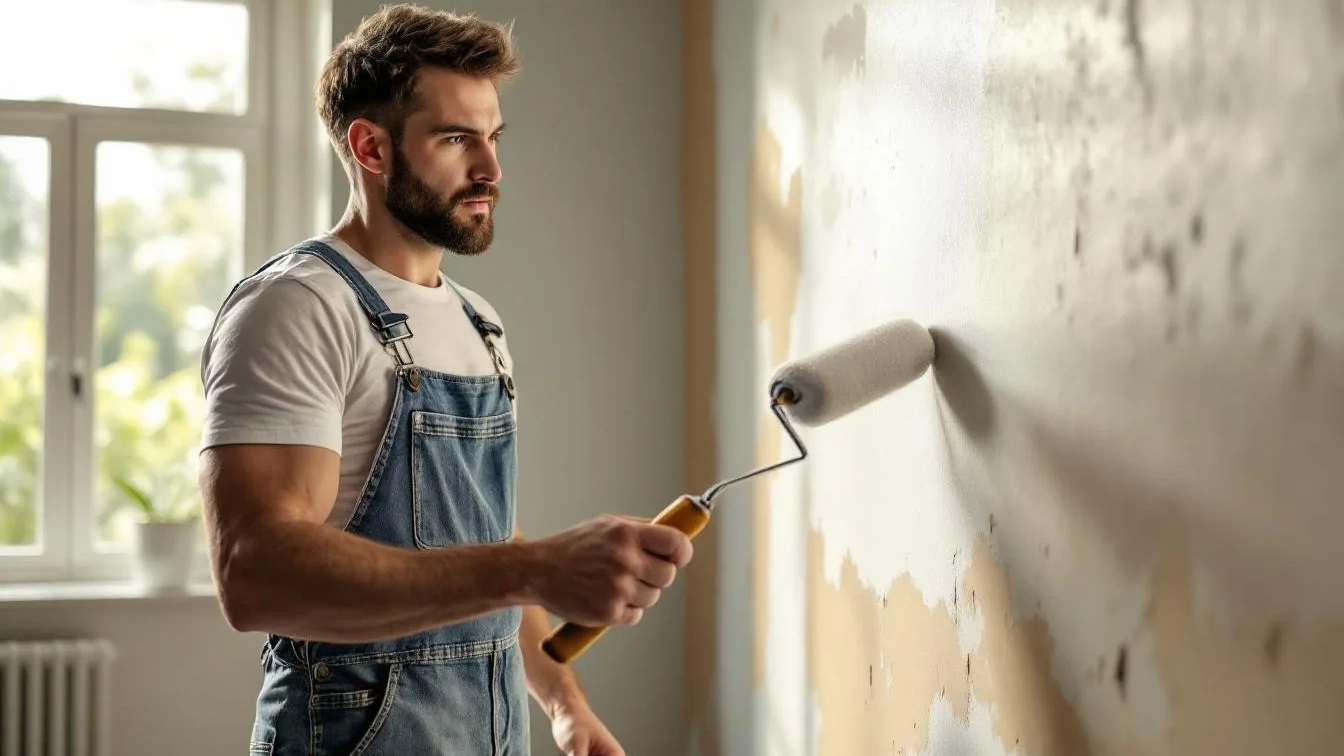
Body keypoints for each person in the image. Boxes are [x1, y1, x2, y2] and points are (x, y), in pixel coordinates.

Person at [196, 5, 693, 755]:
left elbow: (483, 540)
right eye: (457, 139)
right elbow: (255, 573)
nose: (491, 168)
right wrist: (537, 568)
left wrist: (564, 704)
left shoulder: (478, 322)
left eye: (494, 137)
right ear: (371, 146)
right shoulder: (297, 306)